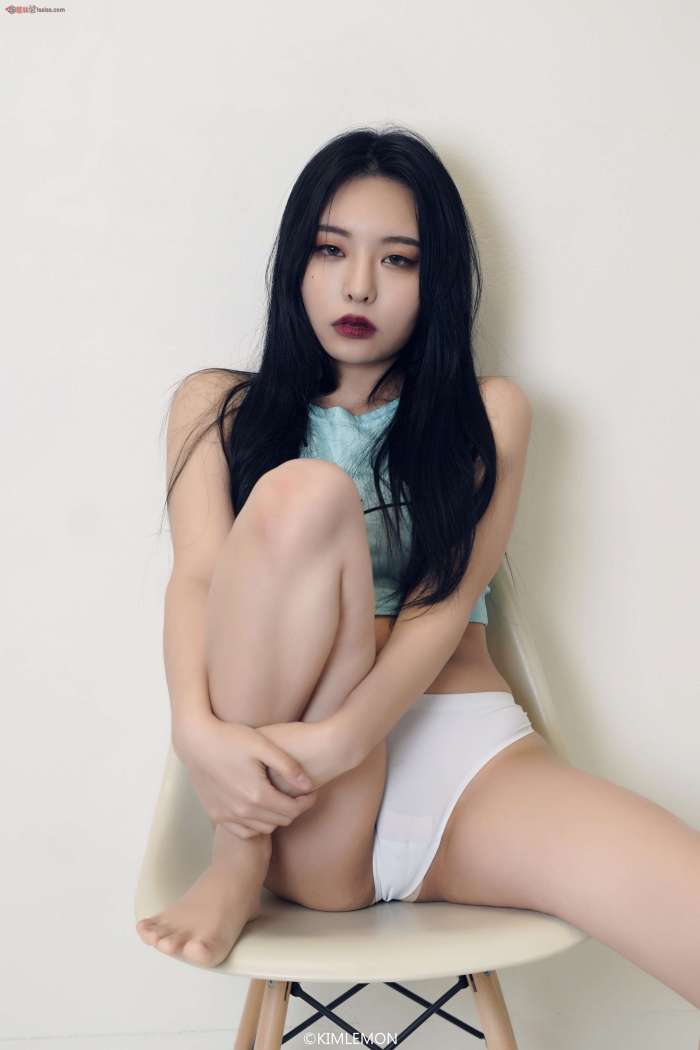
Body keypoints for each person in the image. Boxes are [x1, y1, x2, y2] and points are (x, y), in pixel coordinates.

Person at [136, 126, 700, 1009]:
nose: (359, 285)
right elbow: (199, 582)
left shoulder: (488, 414)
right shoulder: (216, 408)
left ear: (436, 283)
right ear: (295, 262)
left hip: (466, 761)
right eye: (331, 250)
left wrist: (348, 738)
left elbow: (445, 603)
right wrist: (195, 733)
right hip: (293, 790)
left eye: (398, 260)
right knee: (305, 496)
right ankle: (237, 859)